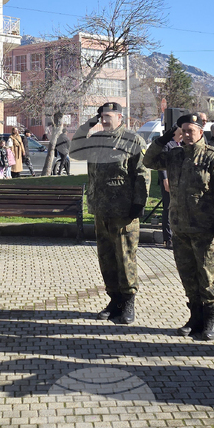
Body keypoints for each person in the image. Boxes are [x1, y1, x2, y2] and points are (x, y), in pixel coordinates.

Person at [144, 113, 214, 341]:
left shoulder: (213, 157)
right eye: (182, 131)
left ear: (200, 130)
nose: (186, 135)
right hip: (180, 227)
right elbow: (148, 161)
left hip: (204, 228)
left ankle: (210, 320)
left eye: (190, 131)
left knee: (207, 275)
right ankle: (195, 318)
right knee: (187, 275)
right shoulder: (175, 155)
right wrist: (163, 139)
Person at [70, 102, 148, 325]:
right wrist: (87, 125)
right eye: (101, 117)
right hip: (101, 210)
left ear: (120, 118)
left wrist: (138, 202)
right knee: (106, 259)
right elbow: (74, 151)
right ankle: (114, 301)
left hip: (123, 212)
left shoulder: (132, 140)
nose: (104, 121)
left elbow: (142, 173)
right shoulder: (95, 140)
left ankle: (128, 303)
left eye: (108, 117)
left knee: (125, 259)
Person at [159, 127, 184, 249]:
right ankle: (168, 238)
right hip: (169, 181)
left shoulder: (182, 144)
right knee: (168, 209)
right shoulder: (168, 144)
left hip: (180, 182)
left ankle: (177, 235)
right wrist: (165, 180)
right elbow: (162, 164)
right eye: (182, 131)